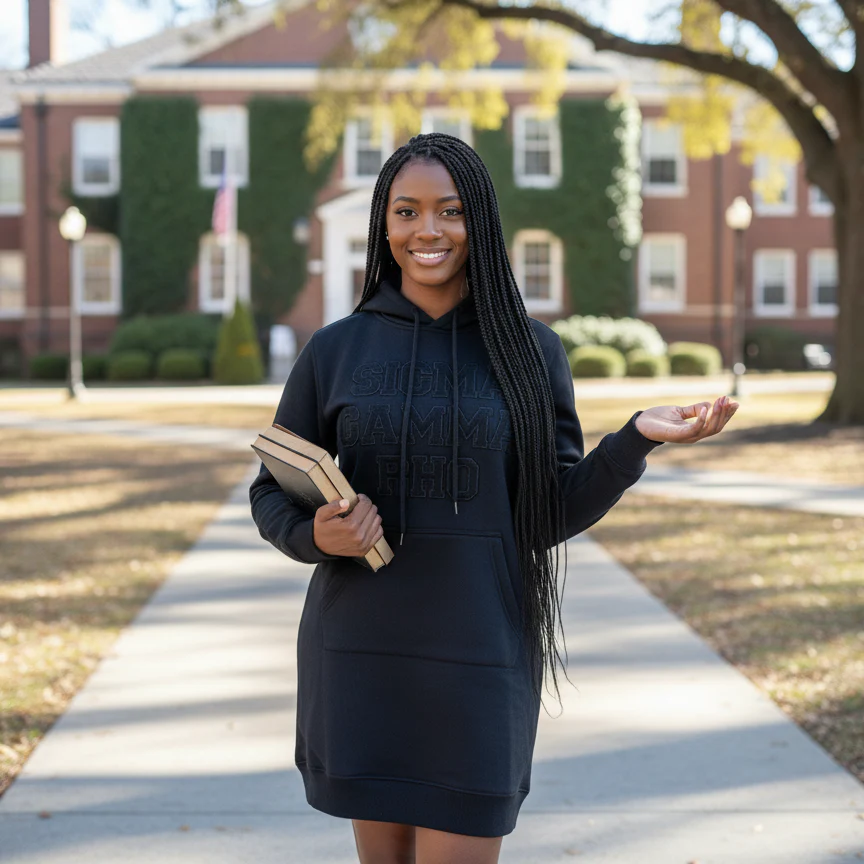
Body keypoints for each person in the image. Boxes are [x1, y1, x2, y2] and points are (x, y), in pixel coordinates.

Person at [249, 132, 738, 864]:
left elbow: (551, 513)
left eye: (450, 211)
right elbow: (270, 493)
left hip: (479, 655)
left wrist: (634, 439)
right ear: (384, 224)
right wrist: (321, 536)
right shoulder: (336, 349)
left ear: (479, 220)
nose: (429, 231)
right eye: (407, 211)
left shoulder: (529, 351)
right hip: (359, 654)